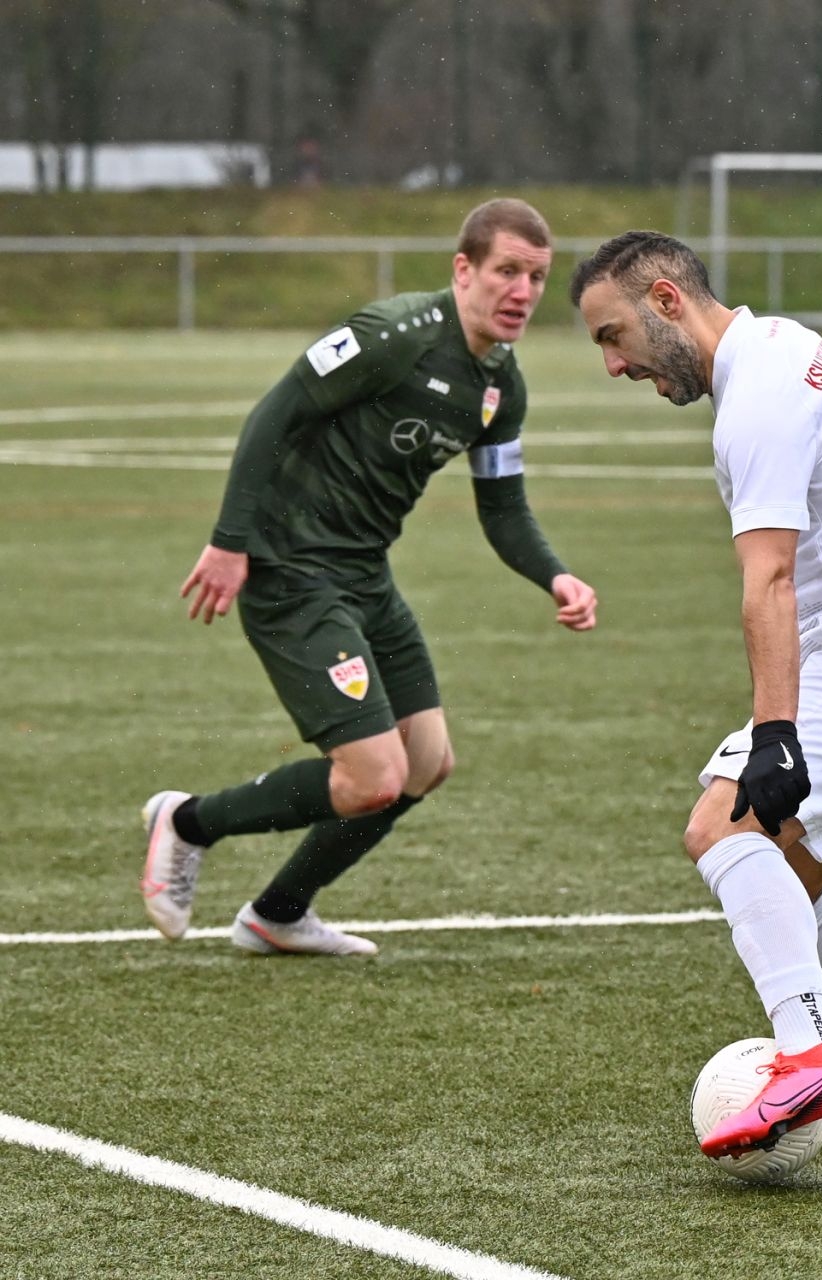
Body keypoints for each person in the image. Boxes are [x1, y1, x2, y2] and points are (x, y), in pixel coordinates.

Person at [570, 230, 822, 1149]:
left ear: (667, 300)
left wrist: (775, 733)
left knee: (723, 826)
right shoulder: (788, 343)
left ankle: (809, 1055)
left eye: (612, 335)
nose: (612, 365)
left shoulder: (753, 394)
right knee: (793, 871)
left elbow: (772, 580)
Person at [143, 198, 599, 957]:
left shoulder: (501, 389)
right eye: (507, 271)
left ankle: (278, 913)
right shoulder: (393, 337)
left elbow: (505, 507)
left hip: (363, 575)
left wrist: (555, 577)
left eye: (538, 277)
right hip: (291, 569)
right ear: (464, 271)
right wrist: (231, 541)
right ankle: (186, 822)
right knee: (371, 776)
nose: (522, 291)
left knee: (427, 764)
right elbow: (274, 413)